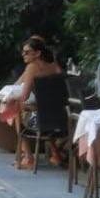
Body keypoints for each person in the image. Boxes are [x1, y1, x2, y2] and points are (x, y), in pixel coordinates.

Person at [9, 36, 66, 170]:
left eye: (27, 52)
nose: (23, 54)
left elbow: (24, 96)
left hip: (40, 121)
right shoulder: (54, 66)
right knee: (26, 109)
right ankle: (56, 154)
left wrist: (12, 101)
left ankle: (28, 156)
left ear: (38, 53)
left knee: (15, 110)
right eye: (23, 52)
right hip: (62, 119)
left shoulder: (32, 68)